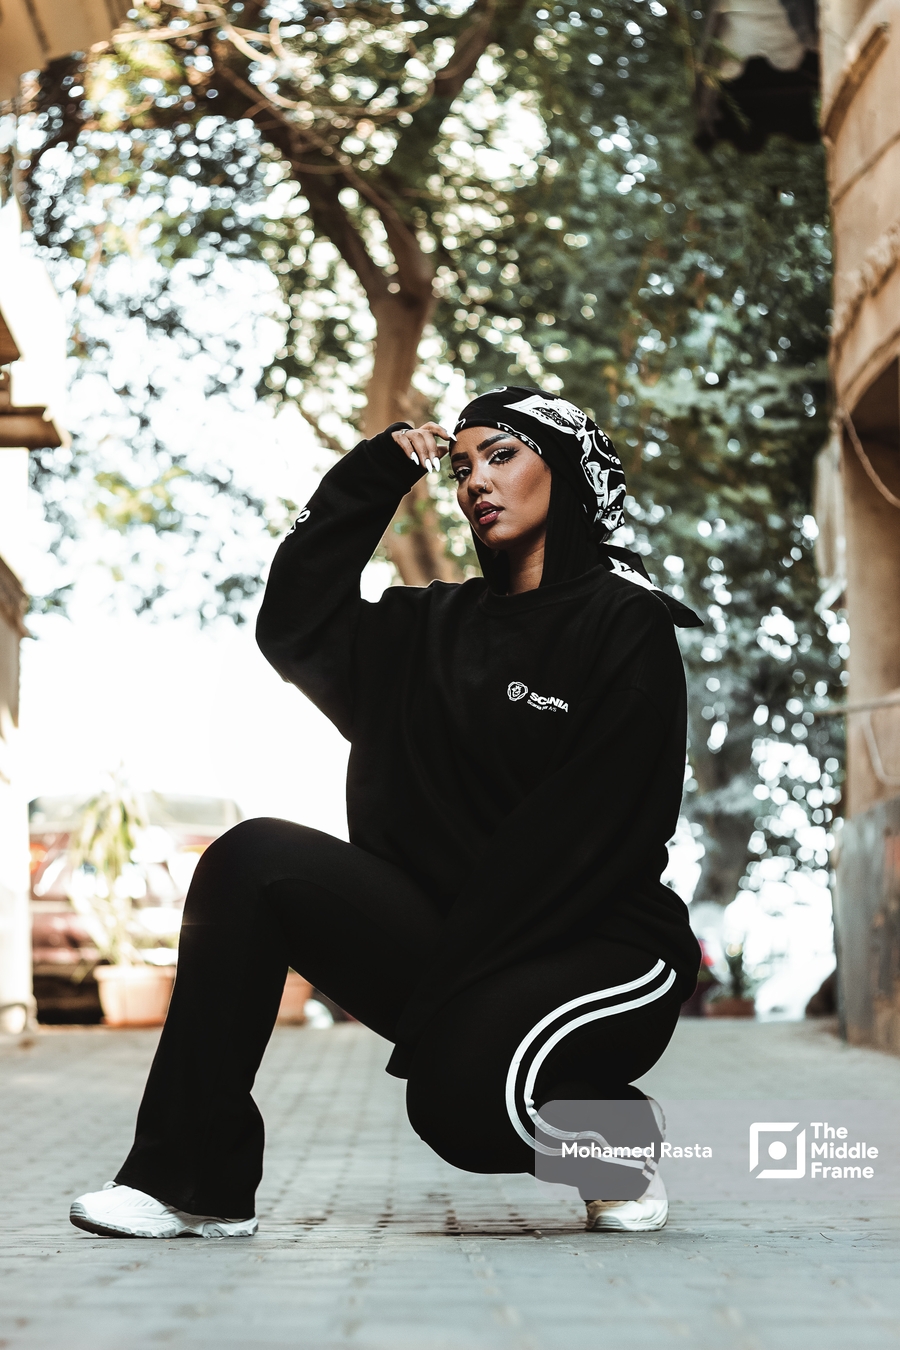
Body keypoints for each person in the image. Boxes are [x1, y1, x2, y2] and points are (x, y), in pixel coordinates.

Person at [70, 386, 701, 1240]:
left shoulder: (626, 626)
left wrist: (448, 993)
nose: (477, 479)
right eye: (464, 464)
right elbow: (293, 623)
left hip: (599, 947)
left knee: (461, 1105)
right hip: (460, 944)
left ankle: (618, 1144)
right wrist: (371, 477)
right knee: (252, 860)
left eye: (504, 455)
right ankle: (191, 1181)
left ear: (562, 472)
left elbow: (590, 833)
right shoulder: (425, 629)